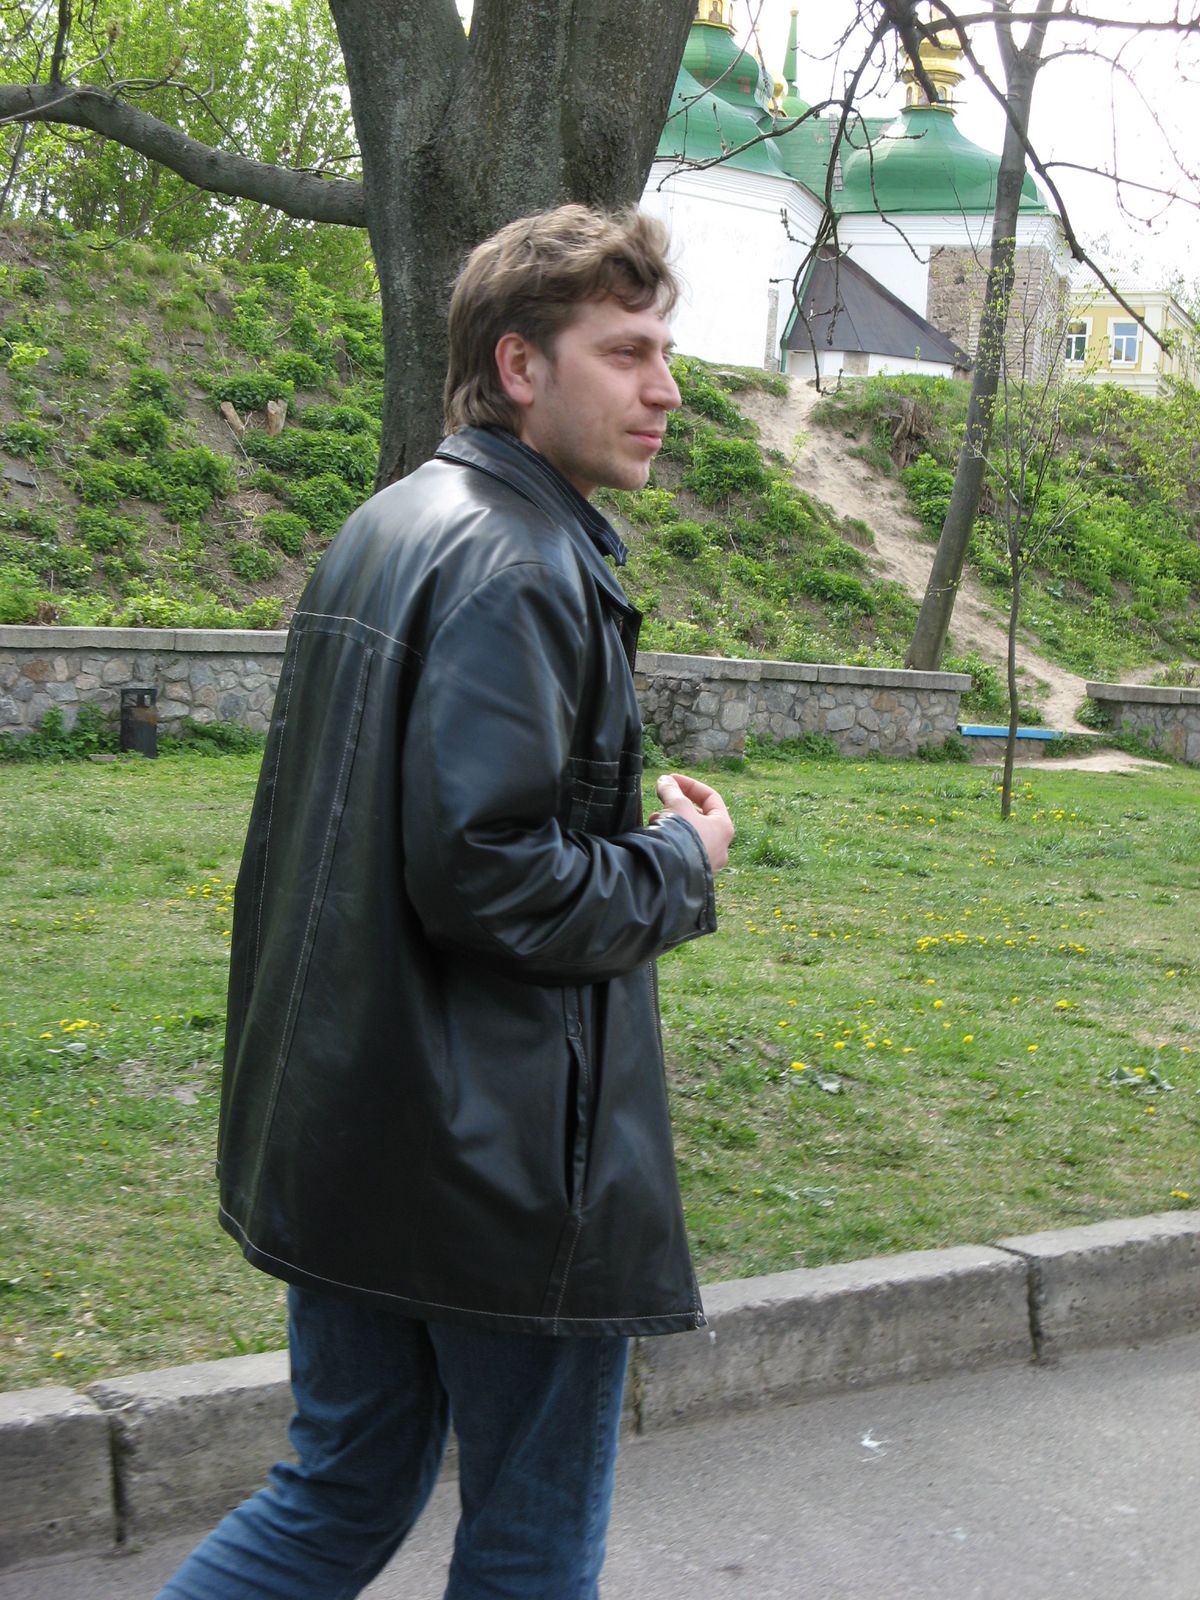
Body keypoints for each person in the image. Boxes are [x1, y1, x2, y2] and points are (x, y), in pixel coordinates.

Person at [157, 204, 733, 1600]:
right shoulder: (521, 564)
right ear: (520, 365)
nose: (665, 390)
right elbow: (492, 878)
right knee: (531, 1542)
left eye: (665, 352)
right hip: (500, 1171)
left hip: (357, 1133)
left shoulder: (391, 524)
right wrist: (680, 863)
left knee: (335, 1496)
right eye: (627, 353)